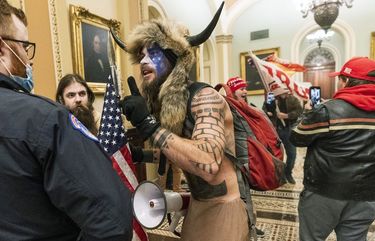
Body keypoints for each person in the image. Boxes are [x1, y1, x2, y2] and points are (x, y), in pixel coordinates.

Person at [113, 3, 251, 241]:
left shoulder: (205, 98)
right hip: (198, 204)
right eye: (141, 55)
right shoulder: (172, 105)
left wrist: (149, 126)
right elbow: (181, 151)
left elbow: (208, 164)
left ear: (174, 60)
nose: (144, 61)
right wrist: (139, 155)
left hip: (225, 207)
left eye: (153, 53)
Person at [0, 1, 133, 240]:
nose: (28, 61)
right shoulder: (45, 121)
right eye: (23, 46)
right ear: (2, 49)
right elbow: (112, 221)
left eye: (82, 93)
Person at [290, 57, 375, 241]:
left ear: (346, 81)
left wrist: (307, 112)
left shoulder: (328, 110)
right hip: (368, 193)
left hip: (325, 192)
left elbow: (296, 137)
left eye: (340, 79)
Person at [226, 76, 265, 238]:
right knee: (243, 197)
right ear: (233, 90)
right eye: (241, 88)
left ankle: (250, 225)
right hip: (235, 162)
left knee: (246, 196)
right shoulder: (228, 108)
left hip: (247, 159)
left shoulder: (244, 107)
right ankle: (248, 229)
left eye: (245, 88)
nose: (245, 91)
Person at [262, 86, 302, 184]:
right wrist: (269, 113)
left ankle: (288, 173)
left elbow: (299, 111)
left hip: (289, 129)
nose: (283, 94)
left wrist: (287, 116)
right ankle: (279, 175)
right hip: (275, 130)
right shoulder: (271, 97)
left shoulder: (293, 99)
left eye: (285, 92)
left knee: (292, 154)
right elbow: (264, 110)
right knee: (276, 154)